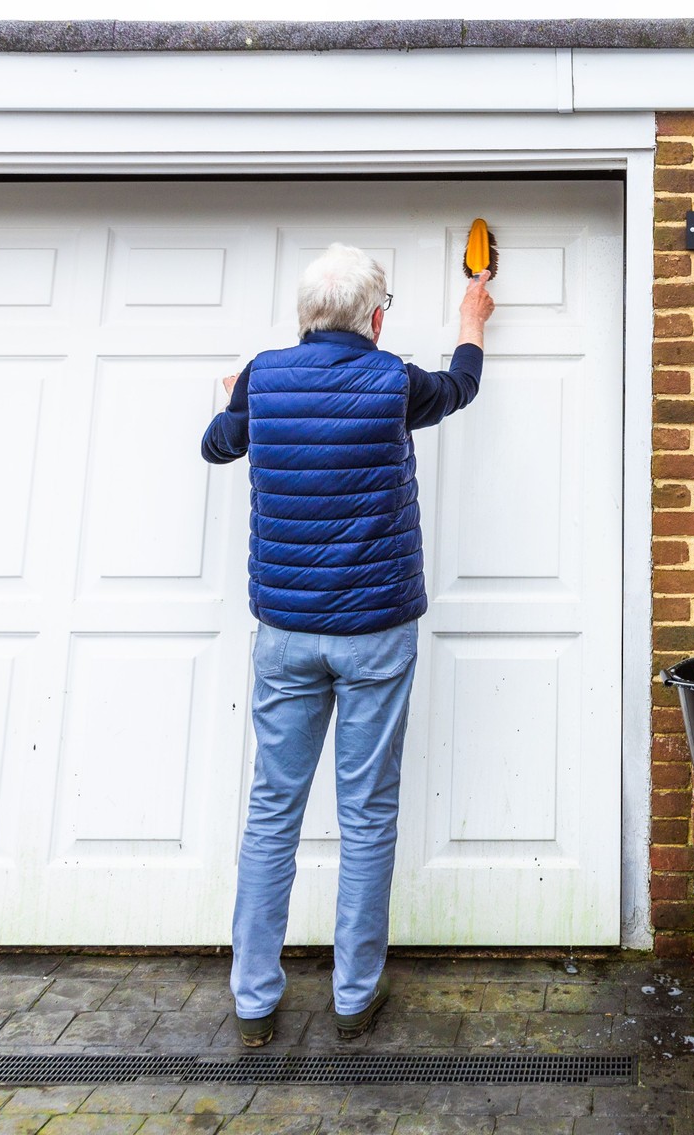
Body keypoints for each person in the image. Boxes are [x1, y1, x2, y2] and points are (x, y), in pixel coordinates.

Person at [201, 242, 494, 1046]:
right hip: (376, 633)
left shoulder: (263, 378)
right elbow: (460, 387)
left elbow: (217, 446)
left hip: (286, 634)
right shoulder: (394, 380)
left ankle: (254, 1003)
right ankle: (354, 998)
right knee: (365, 815)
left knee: (273, 811)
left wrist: (236, 399)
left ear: (304, 315)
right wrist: (472, 321)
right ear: (375, 319)